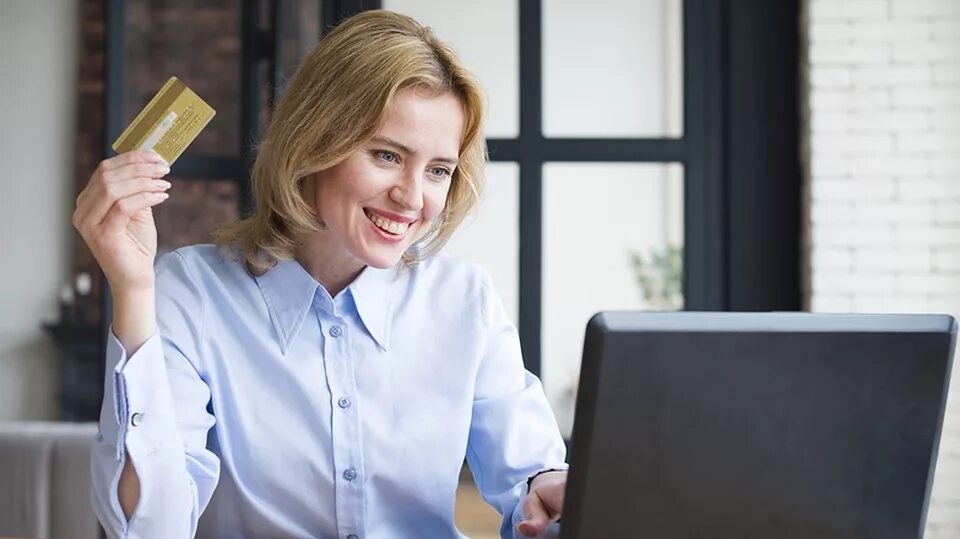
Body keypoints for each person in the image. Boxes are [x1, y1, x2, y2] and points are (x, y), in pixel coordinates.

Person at [74, 9, 568, 539]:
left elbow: (531, 478)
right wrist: (132, 289)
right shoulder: (191, 293)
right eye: (386, 155)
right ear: (313, 143)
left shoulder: (463, 299)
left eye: (438, 170)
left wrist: (548, 493)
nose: (413, 196)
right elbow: (149, 528)